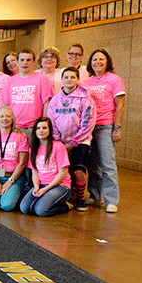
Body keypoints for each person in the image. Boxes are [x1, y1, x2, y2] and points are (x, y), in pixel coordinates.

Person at [46, 67, 95, 211]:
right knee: (62, 172)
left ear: (78, 80)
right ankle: (64, 197)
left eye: (72, 77)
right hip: (60, 142)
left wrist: (73, 143)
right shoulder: (55, 100)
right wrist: (58, 142)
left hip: (80, 141)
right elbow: (51, 121)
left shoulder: (86, 98)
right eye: (66, 77)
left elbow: (88, 122)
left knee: (78, 171)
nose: (69, 80)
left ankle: (80, 199)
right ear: (62, 80)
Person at [83, 49, 125, 213]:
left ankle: (112, 200)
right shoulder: (88, 82)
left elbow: (120, 105)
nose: (97, 62)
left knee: (107, 164)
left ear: (107, 61)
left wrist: (117, 128)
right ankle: (95, 196)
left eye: (101, 59)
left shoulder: (115, 80)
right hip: (90, 127)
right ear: (90, 63)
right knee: (93, 165)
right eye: (94, 59)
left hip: (106, 126)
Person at [19, 118, 71, 217]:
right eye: (38, 128)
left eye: (44, 128)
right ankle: (48, 201)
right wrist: (37, 187)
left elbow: (62, 173)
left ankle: (65, 206)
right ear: (35, 131)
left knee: (40, 211)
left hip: (59, 186)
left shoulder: (58, 146)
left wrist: (46, 189)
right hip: (41, 185)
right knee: (25, 208)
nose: (41, 130)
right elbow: (34, 172)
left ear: (50, 130)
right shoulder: (33, 149)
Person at [0, 106, 30, 211]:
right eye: (2, 116)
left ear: (12, 119)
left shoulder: (20, 136)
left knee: (7, 206)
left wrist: (10, 181)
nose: (5, 119)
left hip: (14, 176)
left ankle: (16, 192)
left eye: (8, 116)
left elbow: (22, 163)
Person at [0, 49, 54, 131]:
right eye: (22, 60)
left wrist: (43, 124)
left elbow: (47, 104)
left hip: (34, 127)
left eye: (28, 60)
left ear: (33, 62)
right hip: (14, 126)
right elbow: (5, 105)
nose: (25, 63)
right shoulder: (10, 81)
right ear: (17, 62)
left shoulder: (42, 79)